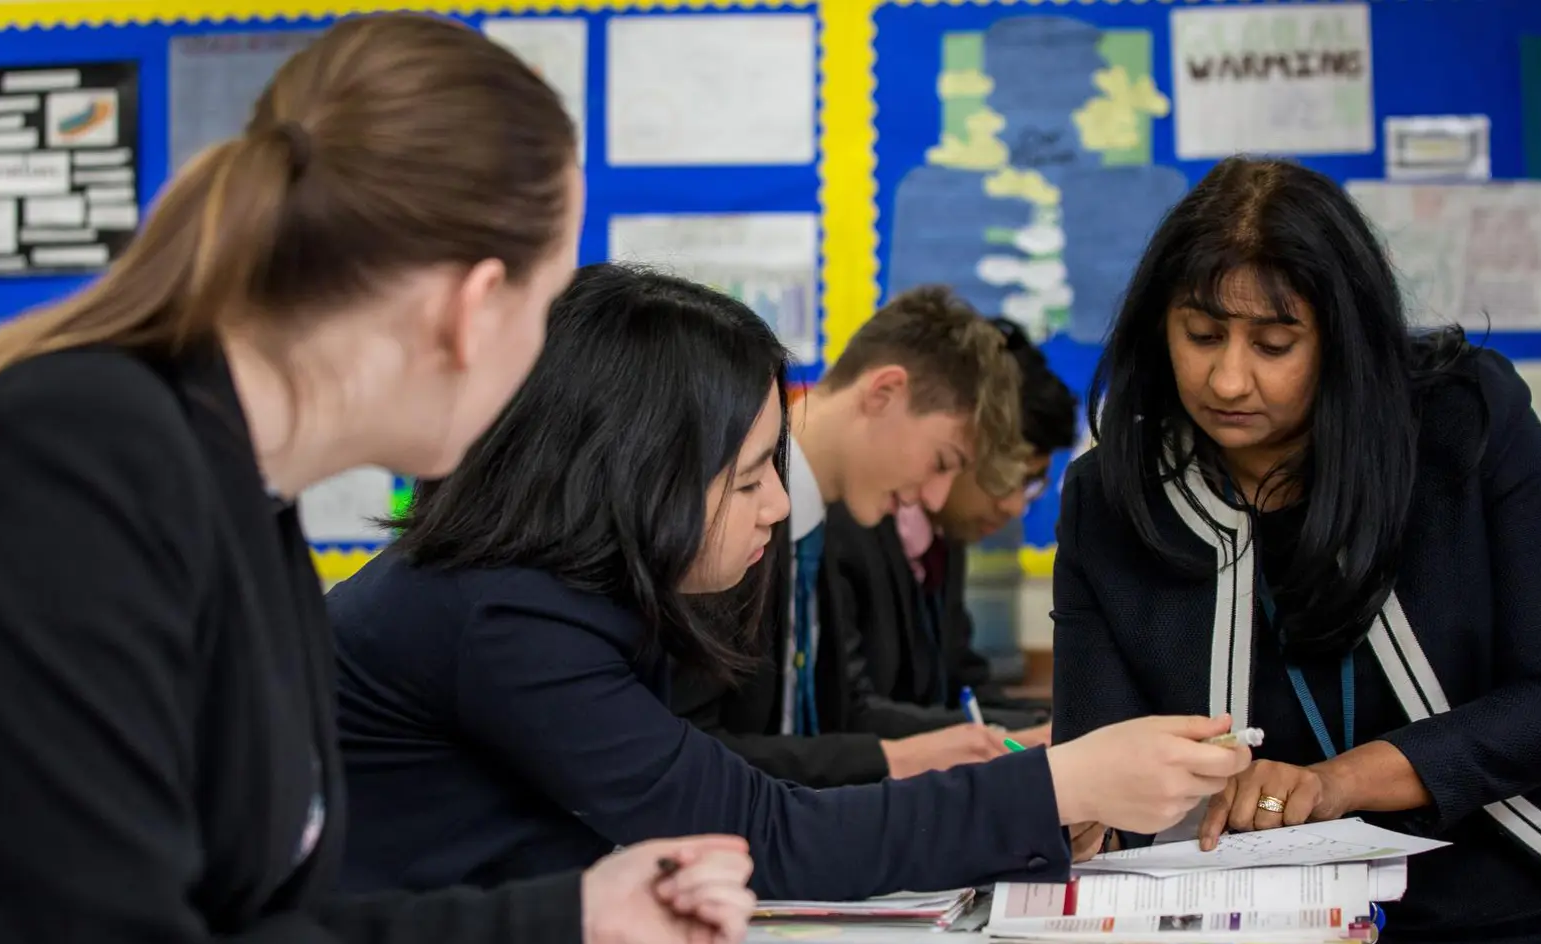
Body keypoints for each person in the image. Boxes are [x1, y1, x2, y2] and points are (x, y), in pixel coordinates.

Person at [0, 18, 756, 944]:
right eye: (547, 306)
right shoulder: (77, 455)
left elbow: (254, 936)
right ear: (474, 305)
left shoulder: (239, 489)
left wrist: (579, 921)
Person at [1052, 156, 1541, 944]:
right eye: (1201, 334)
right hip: (1344, 930)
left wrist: (1335, 781)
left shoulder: (1463, 419)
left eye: (1273, 343)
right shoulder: (1113, 495)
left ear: (1340, 337)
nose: (1227, 379)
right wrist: (1079, 809)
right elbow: (1102, 754)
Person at [331, 262, 1251, 901]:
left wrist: (1050, 797)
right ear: (631, 473)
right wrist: (1057, 785)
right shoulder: (511, 615)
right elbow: (759, 834)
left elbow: (724, 797)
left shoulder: (568, 592)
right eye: (747, 479)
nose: (777, 505)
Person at [672, 286, 1040, 788]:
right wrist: (897, 759)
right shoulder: (729, 521)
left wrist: (975, 740)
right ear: (884, 393)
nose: (934, 499)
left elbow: (839, 715)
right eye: (942, 462)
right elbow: (694, 751)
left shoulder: (818, 527)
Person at [828, 318, 1076, 723]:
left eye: (1032, 486)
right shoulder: (851, 523)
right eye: (1011, 478)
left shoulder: (942, 540)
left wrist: (1047, 732)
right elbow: (848, 715)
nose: (1014, 506)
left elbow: (964, 685)